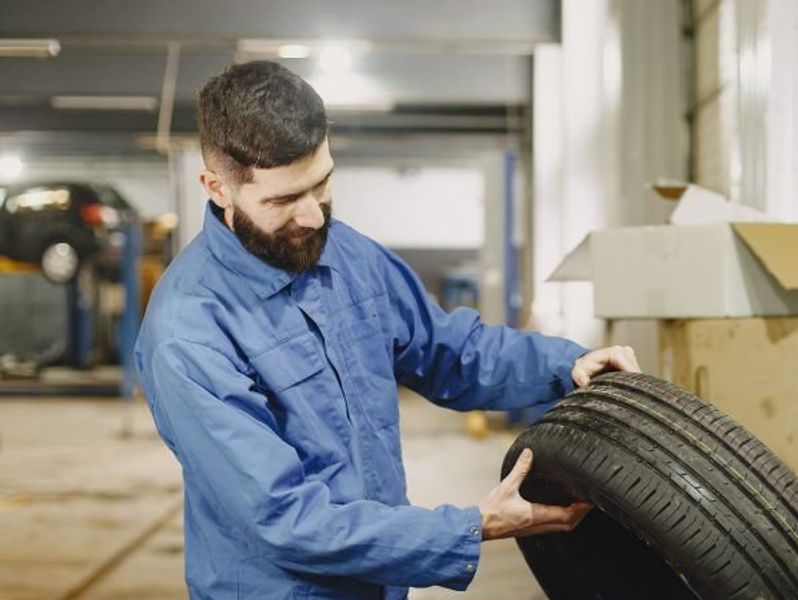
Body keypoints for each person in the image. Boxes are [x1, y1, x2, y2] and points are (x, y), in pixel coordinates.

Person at [134, 60, 640, 600]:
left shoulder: (347, 253)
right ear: (216, 188)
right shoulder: (187, 332)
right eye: (283, 200)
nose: (311, 218)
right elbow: (284, 518)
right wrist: (472, 526)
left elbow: (450, 352)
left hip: (379, 584)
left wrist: (564, 365)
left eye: (321, 183)